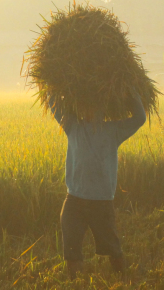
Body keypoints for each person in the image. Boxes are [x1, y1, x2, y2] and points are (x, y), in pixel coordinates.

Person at [52, 90, 146, 280]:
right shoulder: (72, 126)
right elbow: (54, 103)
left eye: (95, 106)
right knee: (72, 248)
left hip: (101, 202)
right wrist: (56, 88)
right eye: (87, 106)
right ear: (81, 108)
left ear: (103, 110)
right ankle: (76, 283)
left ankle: (123, 280)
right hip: (74, 200)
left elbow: (139, 119)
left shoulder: (113, 130)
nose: (91, 110)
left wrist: (132, 94)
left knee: (112, 248)